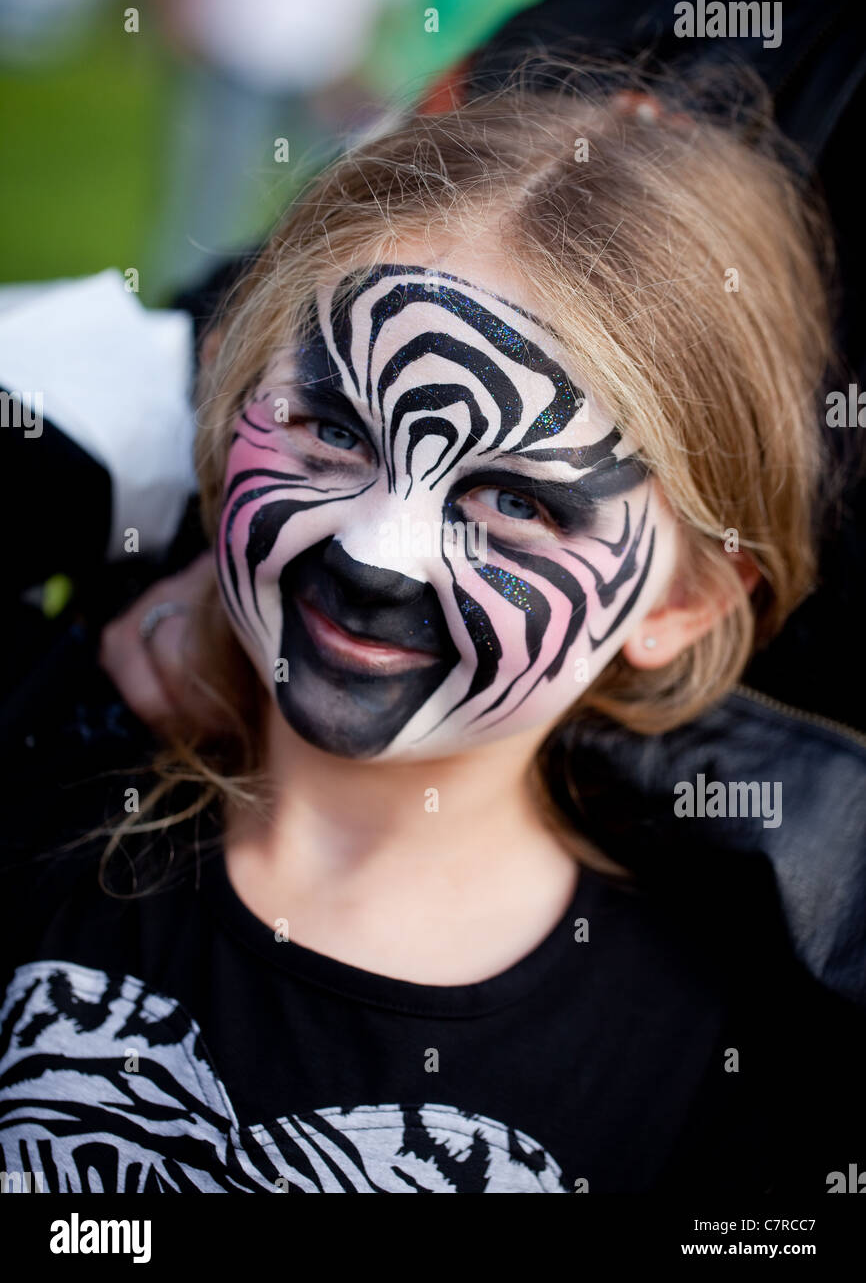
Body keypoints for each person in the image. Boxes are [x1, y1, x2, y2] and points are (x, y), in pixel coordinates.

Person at [1, 60, 864, 1195]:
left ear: (678, 602)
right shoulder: (42, 772)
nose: (373, 549)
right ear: (224, 384)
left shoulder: (705, 1076)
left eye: (520, 501)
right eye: (331, 428)